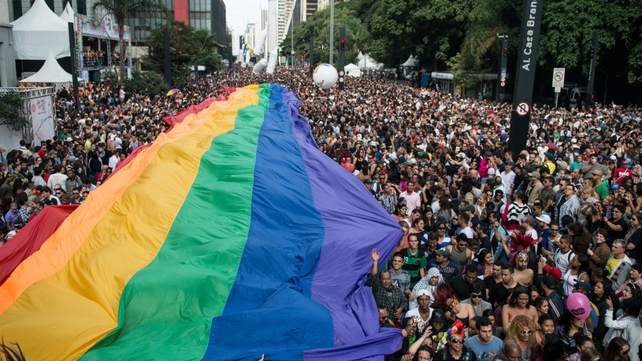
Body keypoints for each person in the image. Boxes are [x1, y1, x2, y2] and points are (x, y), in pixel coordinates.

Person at [370, 249, 407, 325]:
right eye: (384, 279)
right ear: (380, 280)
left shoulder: (397, 290)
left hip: (393, 323)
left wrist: (400, 309)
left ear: (390, 279)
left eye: (388, 279)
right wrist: (375, 262)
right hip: (379, 322)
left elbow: (405, 301)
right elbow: (373, 277)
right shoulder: (378, 289)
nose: (386, 281)